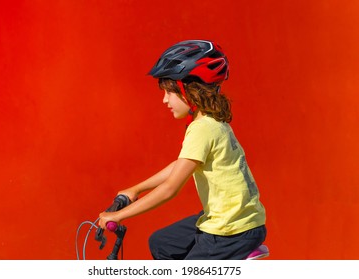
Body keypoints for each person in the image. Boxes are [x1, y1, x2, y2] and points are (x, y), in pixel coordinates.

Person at [99, 40, 266, 260]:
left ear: (189, 90)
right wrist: (135, 189)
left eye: (169, 92)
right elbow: (180, 165)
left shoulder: (203, 128)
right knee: (162, 243)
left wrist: (119, 215)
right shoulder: (210, 122)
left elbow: (170, 189)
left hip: (232, 231)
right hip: (238, 221)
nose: (164, 99)